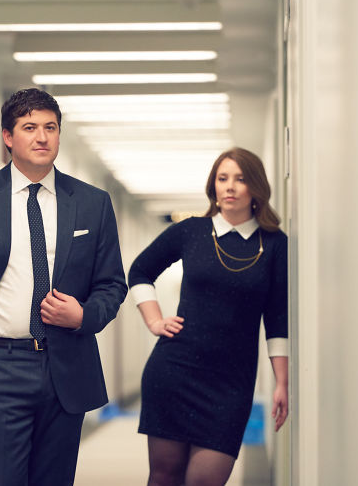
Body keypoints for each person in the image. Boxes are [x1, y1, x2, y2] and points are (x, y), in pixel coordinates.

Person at [0, 87, 128, 486]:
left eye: (50, 127)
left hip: (66, 366)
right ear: (7, 136)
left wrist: (85, 315)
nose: (42, 137)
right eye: (29, 127)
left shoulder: (92, 203)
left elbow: (112, 284)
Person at [129, 147, 289, 486]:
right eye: (222, 178)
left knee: (206, 480)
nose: (229, 187)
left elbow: (277, 317)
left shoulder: (274, 244)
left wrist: (282, 382)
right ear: (213, 186)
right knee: (164, 477)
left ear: (255, 188)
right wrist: (154, 320)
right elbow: (140, 271)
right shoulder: (191, 232)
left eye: (240, 179)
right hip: (174, 371)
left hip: (231, 383)